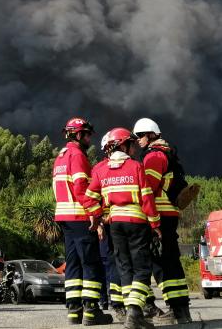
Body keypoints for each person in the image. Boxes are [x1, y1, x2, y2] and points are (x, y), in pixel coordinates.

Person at [83, 128, 161, 329]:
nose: (134, 147)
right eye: (131, 144)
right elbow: (147, 198)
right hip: (136, 223)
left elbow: (89, 198)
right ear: (122, 145)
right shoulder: (136, 167)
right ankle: (135, 312)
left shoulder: (100, 169)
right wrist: (155, 225)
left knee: (124, 267)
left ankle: (130, 314)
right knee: (142, 267)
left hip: (115, 225)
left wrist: (99, 217)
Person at [132, 118, 194, 324]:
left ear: (151, 135)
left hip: (160, 216)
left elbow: (146, 189)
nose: (138, 140)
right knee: (170, 260)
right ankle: (181, 310)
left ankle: (176, 311)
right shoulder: (167, 153)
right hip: (169, 214)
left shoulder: (153, 157)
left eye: (140, 136)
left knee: (160, 263)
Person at [53, 117, 113, 325]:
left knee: (74, 264)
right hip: (79, 217)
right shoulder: (77, 155)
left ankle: (74, 310)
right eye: (87, 134)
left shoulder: (61, 156)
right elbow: (80, 188)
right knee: (91, 262)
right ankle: (91, 311)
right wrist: (96, 212)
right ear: (78, 135)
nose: (89, 138)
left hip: (64, 217)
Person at [96, 133, 125, 320]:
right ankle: (108, 300)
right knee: (109, 263)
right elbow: (93, 198)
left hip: (119, 223)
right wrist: (99, 222)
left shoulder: (128, 166)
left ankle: (117, 300)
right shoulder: (99, 169)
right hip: (107, 225)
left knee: (119, 263)